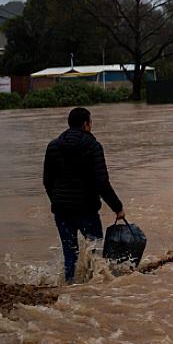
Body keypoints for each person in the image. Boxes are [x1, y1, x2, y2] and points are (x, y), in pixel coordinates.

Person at [43, 107, 125, 283]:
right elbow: (102, 183)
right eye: (91, 122)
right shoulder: (93, 146)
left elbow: (47, 181)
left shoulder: (53, 146)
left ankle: (70, 288)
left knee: (69, 253)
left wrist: (57, 201)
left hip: (62, 211)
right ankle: (93, 290)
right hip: (87, 210)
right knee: (96, 253)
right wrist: (117, 208)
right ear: (86, 125)